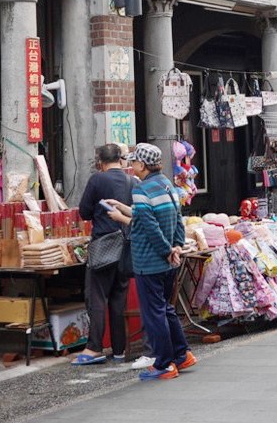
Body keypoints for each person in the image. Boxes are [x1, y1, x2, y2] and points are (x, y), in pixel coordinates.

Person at [106, 143, 194, 380]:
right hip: (168, 260)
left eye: (134, 162)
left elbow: (148, 225)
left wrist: (166, 250)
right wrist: (176, 246)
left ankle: (164, 364)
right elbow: (176, 217)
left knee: (154, 313)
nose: (132, 166)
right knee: (166, 309)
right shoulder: (167, 184)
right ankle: (182, 354)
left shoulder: (141, 189)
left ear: (142, 165)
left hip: (149, 260)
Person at [74, 144, 135, 366]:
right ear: (120, 159)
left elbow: (84, 211)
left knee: (97, 297)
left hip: (103, 244)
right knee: (119, 298)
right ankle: (119, 349)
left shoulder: (97, 180)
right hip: (126, 246)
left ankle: (94, 348)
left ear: (100, 160)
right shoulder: (132, 181)